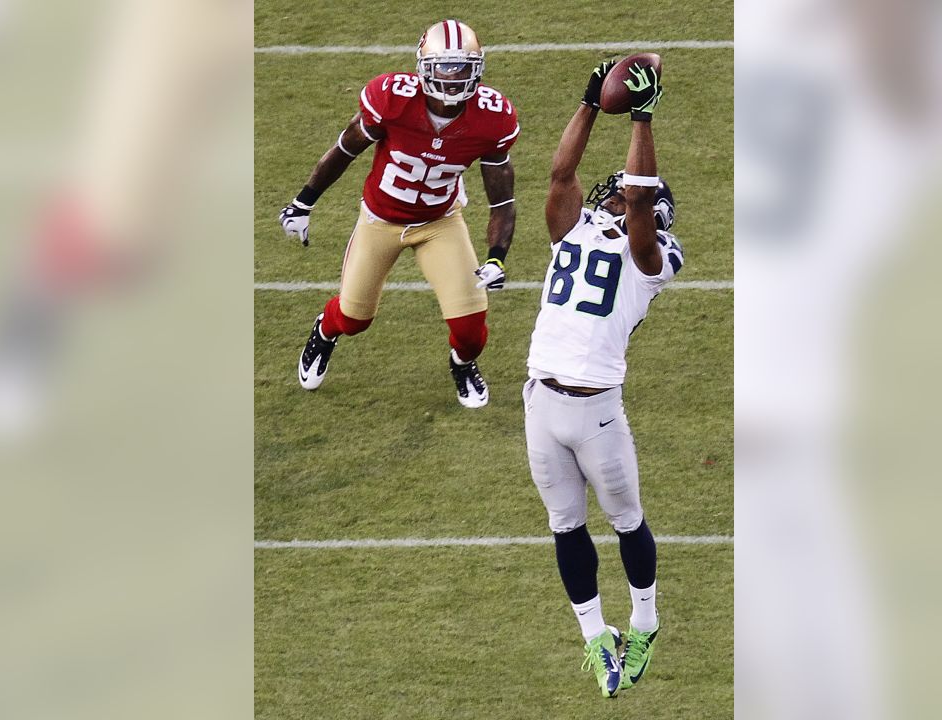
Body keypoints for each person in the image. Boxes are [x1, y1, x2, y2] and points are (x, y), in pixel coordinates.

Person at [523, 58, 680, 697]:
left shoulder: (652, 257)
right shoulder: (573, 231)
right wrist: (589, 102)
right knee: (565, 527)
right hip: (540, 399)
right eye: (611, 193)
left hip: (597, 410)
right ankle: (595, 638)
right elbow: (561, 173)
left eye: (623, 195)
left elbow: (641, 199)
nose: (611, 198)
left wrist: (643, 114)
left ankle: (644, 620)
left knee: (625, 520)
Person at [279, 19, 519, 408]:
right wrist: (304, 202)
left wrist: (497, 257)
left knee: (472, 329)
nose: (454, 78)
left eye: (463, 67)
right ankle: (325, 331)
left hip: (440, 222)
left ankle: (461, 365)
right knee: (354, 319)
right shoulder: (393, 100)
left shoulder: (492, 118)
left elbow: (502, 201)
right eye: (445, 67)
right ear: (424, 66)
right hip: (380, 220)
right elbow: (344, 149)